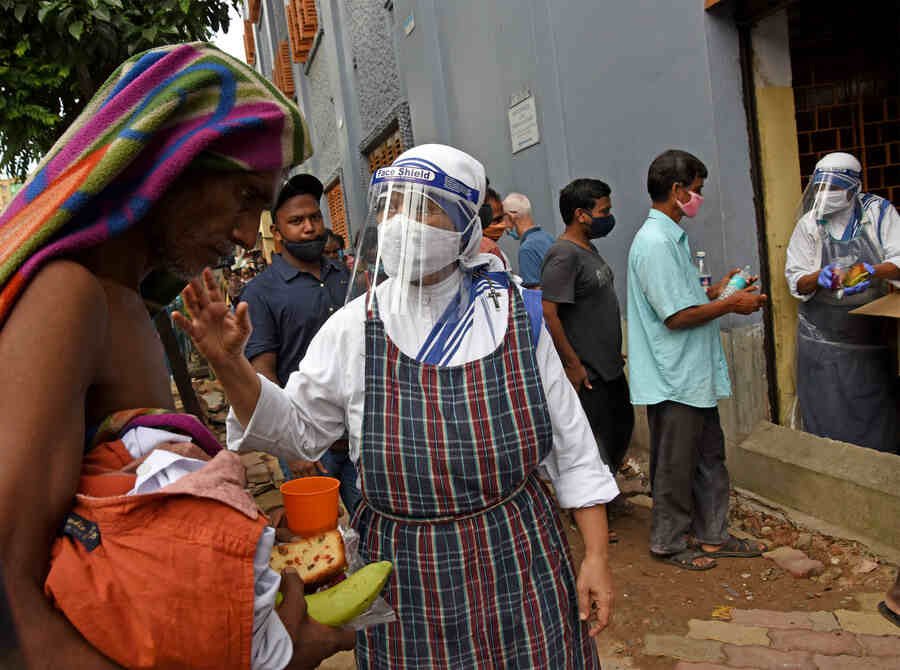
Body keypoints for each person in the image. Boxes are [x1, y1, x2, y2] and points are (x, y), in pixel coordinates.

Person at [176, 143, 620, 669]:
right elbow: (296, 432)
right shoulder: (354, 327)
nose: (401, 223)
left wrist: (596, 555)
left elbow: (572, 449)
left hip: (518, 554)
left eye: (423, 208)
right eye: (392, 206)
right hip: (405, 570)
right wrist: (232, 367)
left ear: (464, 225)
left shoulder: (514, 316)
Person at [0, 43, 353, 668]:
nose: (246, 234)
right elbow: (11, 603)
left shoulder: (129, 306)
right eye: (244, 196)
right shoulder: (68, 297)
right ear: (171, 163)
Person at [627, 149, 768, 571]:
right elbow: (675, 316)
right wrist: (731, 305)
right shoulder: (655, 243)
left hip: (691, 374)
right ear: (677, 190)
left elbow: (681, 300)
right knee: (676, 465)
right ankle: (668, 543)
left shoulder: (670, 239)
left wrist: (718, 292)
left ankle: (712, 535)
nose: (699, 198)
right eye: (697, 189)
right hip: (674, 376)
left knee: (709, 458)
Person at [240, 174, 358, 512]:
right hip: (309, 447)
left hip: (360, 436)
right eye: (296, 221)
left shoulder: (345, 276)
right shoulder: (260, 293)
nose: (309, 228)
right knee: (319, 533)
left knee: (371, 530)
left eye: (315, 217)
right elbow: (263, 375)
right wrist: (291, 447)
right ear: (276, 232)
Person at [785, 152, 900, 453]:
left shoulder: (878, 214)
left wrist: (872, 270)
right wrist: (819, 277)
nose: (826, 194)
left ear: (853, 187)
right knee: (828, 412)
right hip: (821, 342)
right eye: (821, 187)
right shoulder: (810, 223)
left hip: (870, 335)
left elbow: (899, 260)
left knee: (874, 409)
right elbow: (796, 280)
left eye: (834, 188)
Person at [541, 179, 634, 481]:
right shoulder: (563, 255)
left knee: (621, 428)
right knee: (596, 441)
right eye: (603, 211)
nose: (609, 217)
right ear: (581, 214)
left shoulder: (587, 248)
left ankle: (607, 491)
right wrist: (573, 364)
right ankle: (596, 500)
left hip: (608, 365)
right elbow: (549, 313)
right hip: (589, 374)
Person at [504, 192, 555, 288]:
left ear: (511, 216)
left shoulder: (527, 249)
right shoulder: (548, 237)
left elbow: (535, 292)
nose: (503, 225)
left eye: (502, 218)